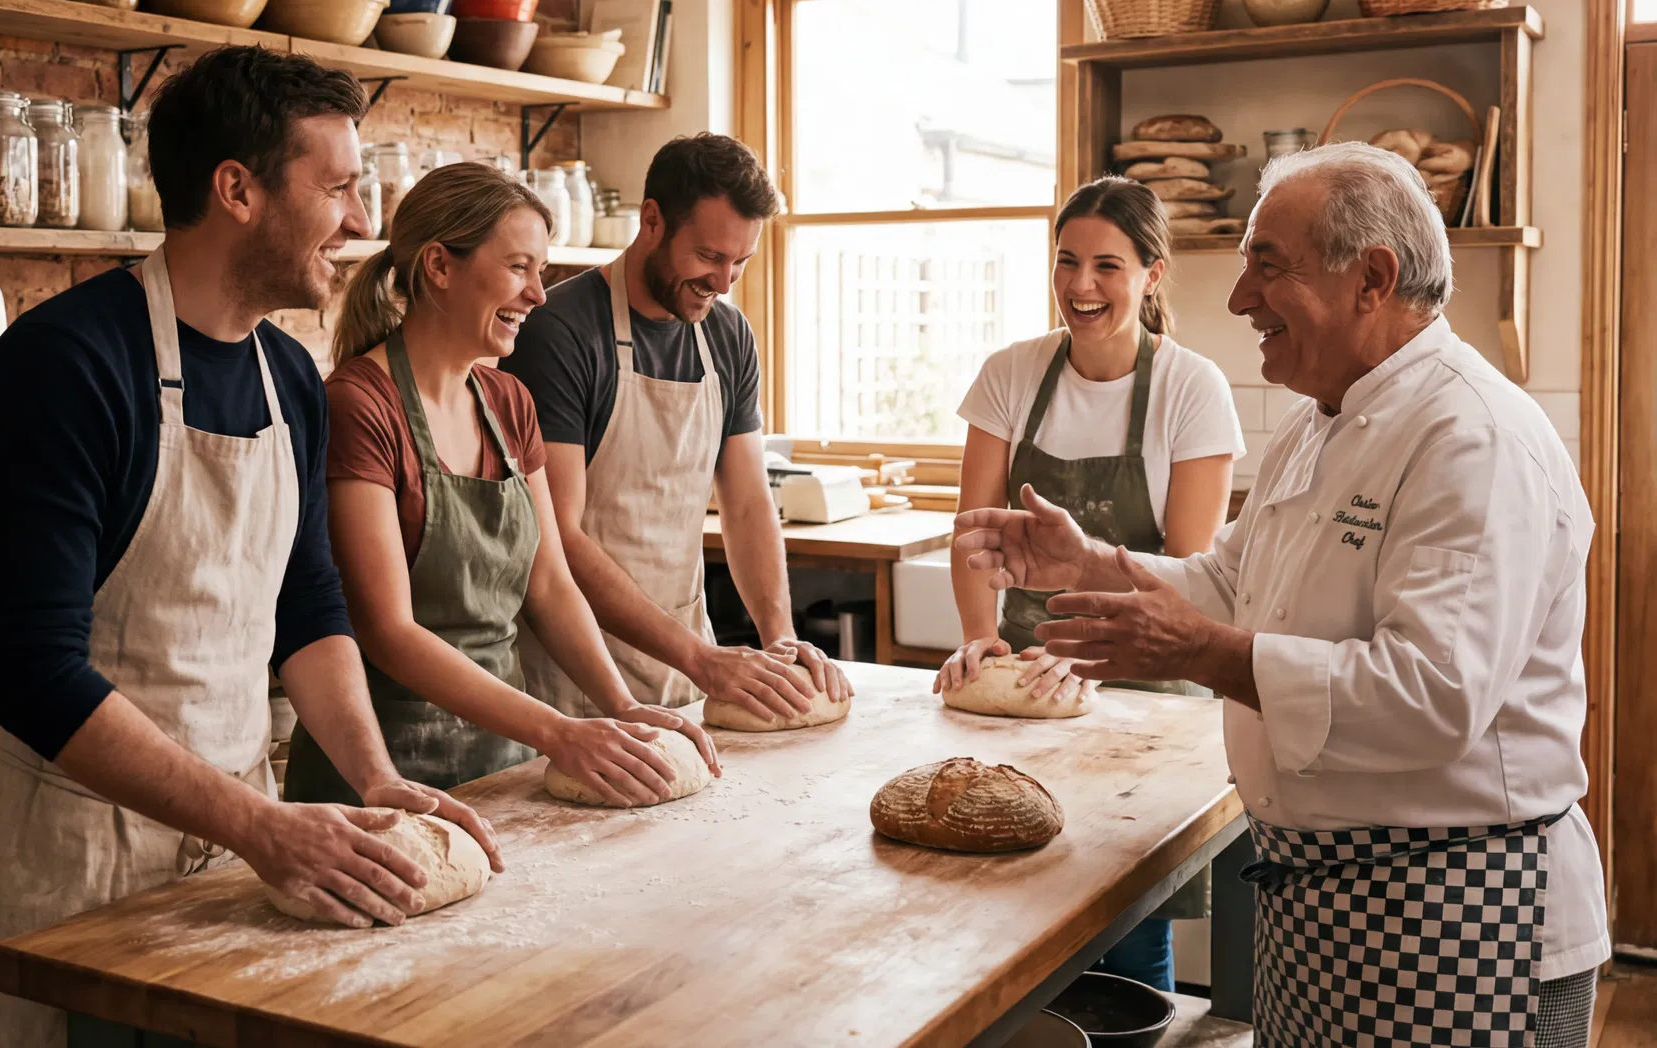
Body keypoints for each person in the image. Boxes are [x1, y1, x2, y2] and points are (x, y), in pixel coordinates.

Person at [955, 142, 1609, 1046]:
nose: (1238, 298)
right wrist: (1090, 563)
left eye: (1267, 266)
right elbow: (1231, 582)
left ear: (1372, 279)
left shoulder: (1473, 437)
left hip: (1462, 913)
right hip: (1323, 904)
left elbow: (1432, 697)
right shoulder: (1318, 421)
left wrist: (1197, 654)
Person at [0, 47, 498, 1047]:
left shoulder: (289, 376)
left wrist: (373, 777)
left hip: (243, 839)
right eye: (336, 188)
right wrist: (255, 825)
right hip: (77, 849)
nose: (363, 222)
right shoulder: (66, 367)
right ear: (238, 190)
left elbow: (307, 604)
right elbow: (27, 669)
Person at [281, 163, 719, 810]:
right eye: (519, 268)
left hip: (504, 764)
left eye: (540, 271)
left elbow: (550, 586)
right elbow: (388, 630)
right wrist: (556, 730)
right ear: (439, 266)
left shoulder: (508, 401)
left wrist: (621, 705)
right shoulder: (359, 406)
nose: (538, 295)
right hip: (378, 778)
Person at [935, 177, 1243, 992]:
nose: (1081, 284)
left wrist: (1089, 658)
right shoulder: (1011, 373)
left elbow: (1186, 576)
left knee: (1130, 926)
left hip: (1147, 688)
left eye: (1107, 265)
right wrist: (982, 641)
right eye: (1067, 261)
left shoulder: (1191, 388)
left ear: (1152, 274)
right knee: (1018, 909)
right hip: (1025, 687)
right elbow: (976, 533)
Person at [501, 133, 850, 722]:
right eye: (710, 256)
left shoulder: (728, 335)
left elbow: (747, 504)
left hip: (686, 672)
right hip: (574, 681)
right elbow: (559, 536)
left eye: (741, 261)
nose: (725, 282)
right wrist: (699, 657)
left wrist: (780, 636)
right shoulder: (559, 333)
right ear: (652, 220)